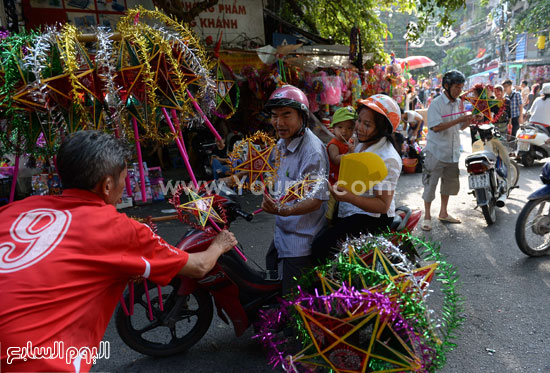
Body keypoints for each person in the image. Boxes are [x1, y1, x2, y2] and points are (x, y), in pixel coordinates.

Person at [0, 130, 237, 372]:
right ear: (107, 185)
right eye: (124, 177)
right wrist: (220, 244)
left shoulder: (12, 211)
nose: (125, 185)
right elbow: (198, 266)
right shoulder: (117, 229)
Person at [311, 94, 403, 263]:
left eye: (367, 124)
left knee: (320, 248)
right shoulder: (361, 142)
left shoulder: (387, 158)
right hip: (352, 210)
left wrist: (349, 197)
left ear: (382, 128)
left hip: (371, 219)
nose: (359, 128)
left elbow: (383, 205)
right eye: (359, 121)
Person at [260, 85, 329, 296]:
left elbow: (316, 199)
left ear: (302, 117)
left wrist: (283, 210)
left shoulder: (313, 152)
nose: (279, 122)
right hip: (284, 230)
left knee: (294, 299)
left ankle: (294, 328)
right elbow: (265, 164)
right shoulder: (283, 141)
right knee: (270, 267)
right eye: (274, 116)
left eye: (286, 115)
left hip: (301, 237)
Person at [421, 70, 473, 231]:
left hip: (452, 152)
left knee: (448, 185)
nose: (459, 90)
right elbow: (436, 127)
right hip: (436, 152)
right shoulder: (436, 104)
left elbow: (459, 127)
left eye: (461, 87)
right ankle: (427, 216)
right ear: (446, 86)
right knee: (430, 185)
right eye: (457, 87)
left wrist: (469, 120)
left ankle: (443, 212)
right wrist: (459, 119)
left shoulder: (458, 103)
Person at [327, 106, 356, 185]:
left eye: (349, 128)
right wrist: (349, 154)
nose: (344, 131)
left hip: (346, 175)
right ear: (333, 129)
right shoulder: (334, 144)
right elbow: (335, 160)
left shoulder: (350, 141)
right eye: (340, 127)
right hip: (335, 178)